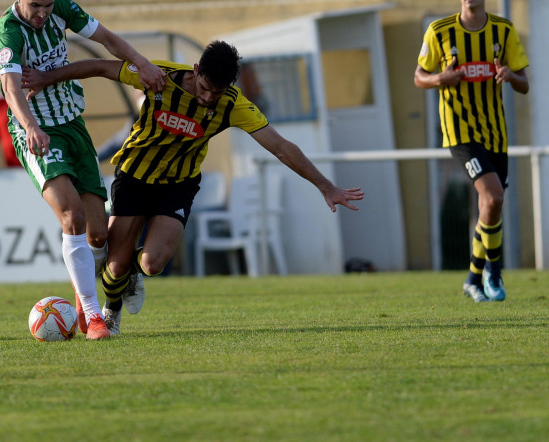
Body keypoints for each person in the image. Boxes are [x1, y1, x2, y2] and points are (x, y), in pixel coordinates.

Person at [22, 40, 364, 335]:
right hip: (135, 175)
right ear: (196, 69)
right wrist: (45, 77)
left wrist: (325, 185)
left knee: (153, 263)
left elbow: (281, 146)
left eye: (217, 92)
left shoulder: (232, 104)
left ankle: (130, 281)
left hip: (179, 183)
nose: (208, 98)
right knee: (114, 266)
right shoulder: (159, 76)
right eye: (204, 88)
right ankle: (112, 306)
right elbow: (99, 66)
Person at [0, 0, 166, 340]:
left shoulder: (63, 9)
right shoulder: (8, 33)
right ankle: (92, 316)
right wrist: (32, 127)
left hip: (72, 124)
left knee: (97, 235)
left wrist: (142, 63)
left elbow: (106, 38)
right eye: (33, 5)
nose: (41, 14)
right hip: (36, 132)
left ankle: (114, 285)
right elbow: (10, 88)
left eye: (47, 6)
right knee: (71, 216)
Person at [414, 0, 529, 303]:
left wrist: (510, 76)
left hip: (495, 133)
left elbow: (524, 84)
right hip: (460, 132)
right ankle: (493, 272)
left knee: (489, 209)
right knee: (492, 197)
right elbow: (419, 77)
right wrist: (440, 79)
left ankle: (472, 279)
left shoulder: (504, 31)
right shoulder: (439, 31)